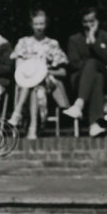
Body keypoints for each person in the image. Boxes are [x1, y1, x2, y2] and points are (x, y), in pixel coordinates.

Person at [8, 8, 69, 139]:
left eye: (41, 24)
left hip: (47, 81)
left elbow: (63, 72)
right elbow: (18, 69)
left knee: (35, 83)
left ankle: (17, 112)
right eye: (36, 24)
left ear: (46, 24)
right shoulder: (23, 42)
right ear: (31, 25)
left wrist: (45, 71)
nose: (39, 27)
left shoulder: (52, 44)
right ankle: (32, 129)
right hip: (27, 81)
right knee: (33, 85)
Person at [63, 7, 107, 137]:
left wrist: (94, 41)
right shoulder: (74, 40)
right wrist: (89, 71)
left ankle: (79, 104)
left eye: (92, 21)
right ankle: (94, 125)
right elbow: (74, 63)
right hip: (81, 80)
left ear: (98, 21)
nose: (88, 25)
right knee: (96, 77)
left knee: (92, 64)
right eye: (85, 22)